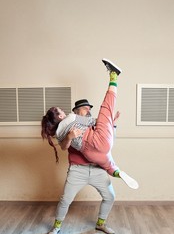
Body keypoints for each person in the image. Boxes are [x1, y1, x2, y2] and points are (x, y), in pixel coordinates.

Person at [41, 59, 139, 190]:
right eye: (61, 111)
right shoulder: (72, 117)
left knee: (108, 166)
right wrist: (108, 120)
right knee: (107, 107)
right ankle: (114, 75)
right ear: (61, 115)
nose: (88, 110)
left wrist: (110, 123)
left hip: (90, 153)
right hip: (98, 143)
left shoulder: (58, 134)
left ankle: (118, 173)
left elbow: (64, 147)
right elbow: (94, 121)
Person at [46, 99, 118, 234]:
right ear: (76, 111)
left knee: (110, 197)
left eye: (89, 108)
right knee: (65, 200)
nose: (88, 110)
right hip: (77, 170)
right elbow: (63, 147)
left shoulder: (92, 125)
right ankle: (56, 227)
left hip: (97, 169)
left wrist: (111, 123)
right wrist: (70, 136)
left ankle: (101, 223)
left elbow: (108, 141)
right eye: (85, 108)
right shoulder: (68, 125)